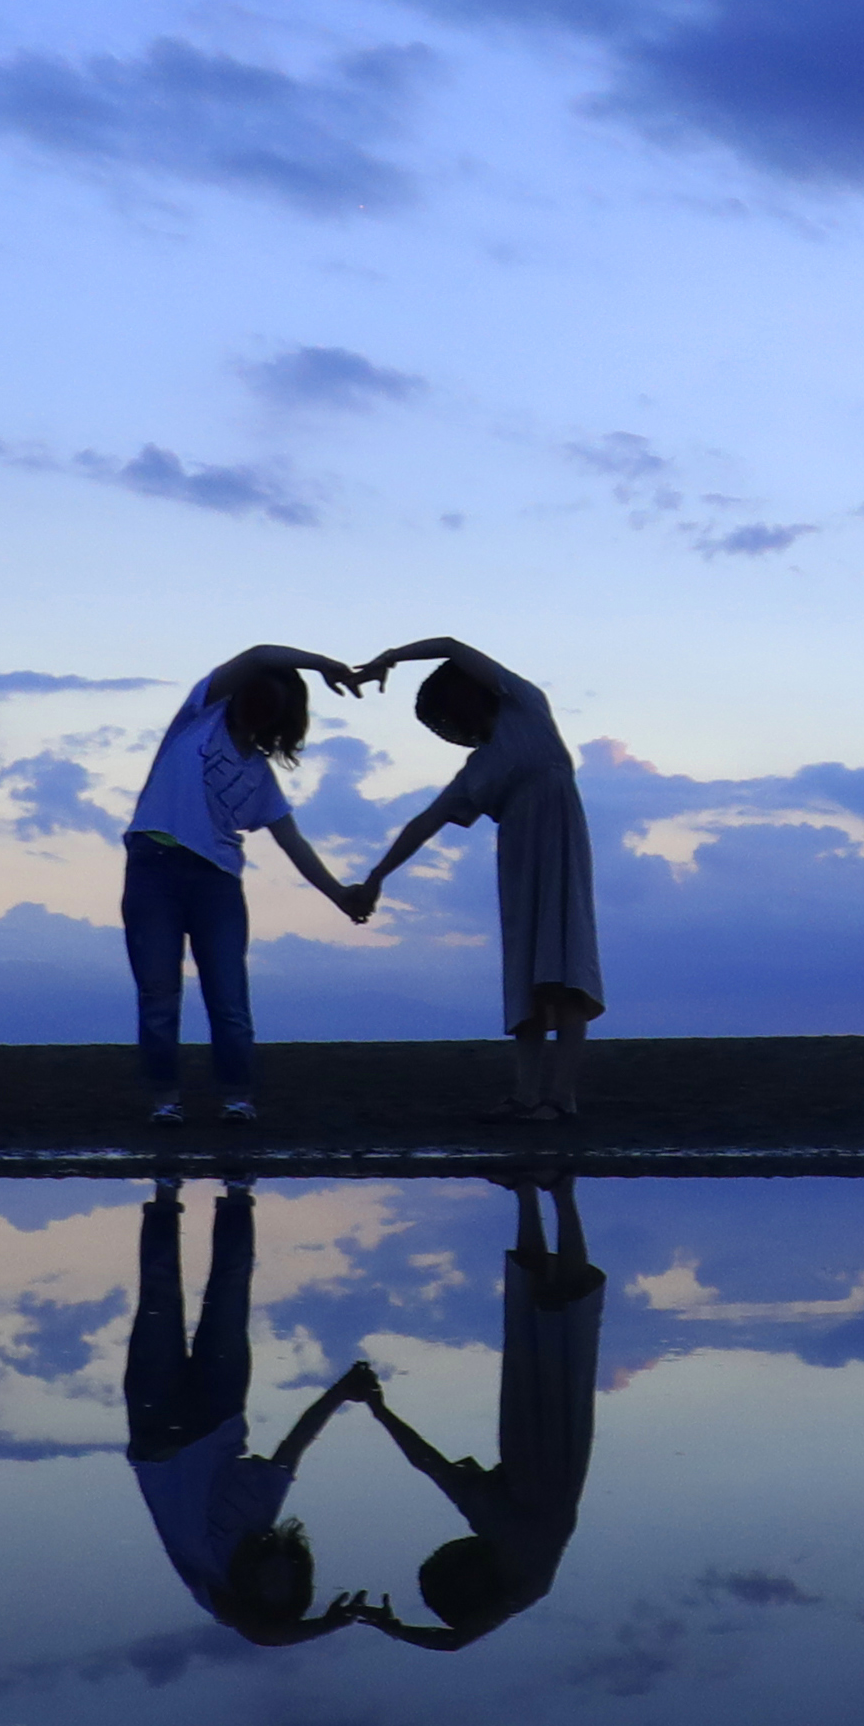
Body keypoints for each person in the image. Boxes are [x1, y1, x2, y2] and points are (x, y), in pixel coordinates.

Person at [333, 1170, 607, 1650]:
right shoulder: (525, 1578)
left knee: (533, 1313)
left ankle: (531, 1192)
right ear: (470, 1581)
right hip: (557, 1443)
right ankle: (558, 1192)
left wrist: (380, 1410)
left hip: (527, 1436)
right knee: (563, 1312)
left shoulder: (494, 1528)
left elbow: (428, 1463)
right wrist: (392, 1627)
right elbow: (456, 1640)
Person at [348, 637, 609, 1127]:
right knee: (529, 974)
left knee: (565, 968)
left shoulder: (526, 706)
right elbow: (424, 823)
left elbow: (449, 643)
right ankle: (528, 1096)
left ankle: (561, 1097)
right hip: (518, 858)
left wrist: (391, 658)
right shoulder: (479, 768)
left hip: (559, 846)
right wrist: (376, 877)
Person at [119, 1176, 388, 1648]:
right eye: (287, 1585)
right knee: (230, 1294)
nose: (275, 1580)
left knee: (159, 1296)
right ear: (298, 1573)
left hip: (157, 1425)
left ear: (250, 1593)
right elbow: (295, 1445)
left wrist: (328, 1625)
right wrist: (341, 1392)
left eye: (268, 1590)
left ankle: (165, 1194)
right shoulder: (262, 1514)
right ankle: (239, 1194)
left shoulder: (215, 1586)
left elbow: (263, 1632)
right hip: (218, 1411)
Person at [123, 643, 379, 1125]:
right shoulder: (200, 717)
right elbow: (260, 653)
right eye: (257, 691)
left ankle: (237, 1099)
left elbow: (292, 843)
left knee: (229, 1000)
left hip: (217, 882)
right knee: (158, 996)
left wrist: (341, 895)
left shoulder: (260, 776)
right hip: (153, 867)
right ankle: (164, 1101)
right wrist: (324, 664)